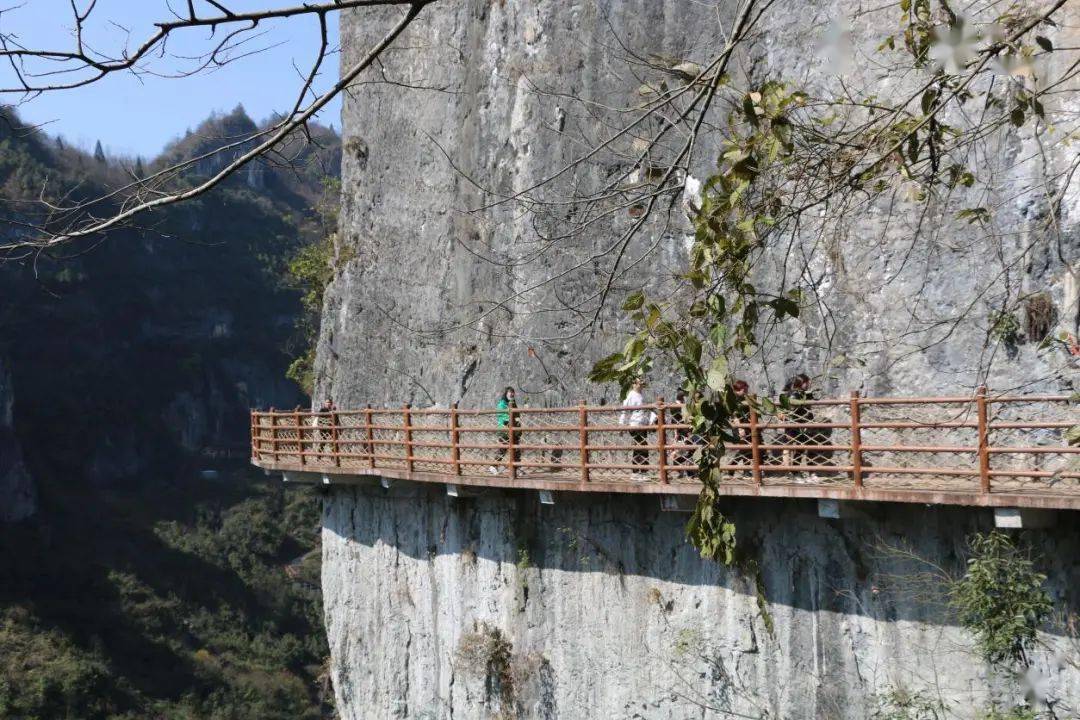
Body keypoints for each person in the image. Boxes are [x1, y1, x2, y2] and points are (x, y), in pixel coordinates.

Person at [619, 378, 655, 475]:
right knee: (641, 447)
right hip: (635, 424)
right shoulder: (631, 395)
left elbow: (646, 408)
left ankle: (640, 471)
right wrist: (621, 424)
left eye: (642, 383)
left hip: (642, 424)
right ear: (634, 384)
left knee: (640, 447)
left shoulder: (641, 395)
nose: (642, 385)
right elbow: (624, 409)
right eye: (640, 383)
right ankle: (639, 471)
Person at [489, 386, 518, 474]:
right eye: (510, 392)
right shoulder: (501, 404)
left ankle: (516, 468)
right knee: (503, 449)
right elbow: (501, 415)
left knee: (516, 449)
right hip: (504, 430)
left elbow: (517, 414)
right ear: (506, 393)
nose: (512, 394)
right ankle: (493, 466)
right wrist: (510, 419)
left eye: (513, 392)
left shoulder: (513, 403)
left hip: (513, 430)